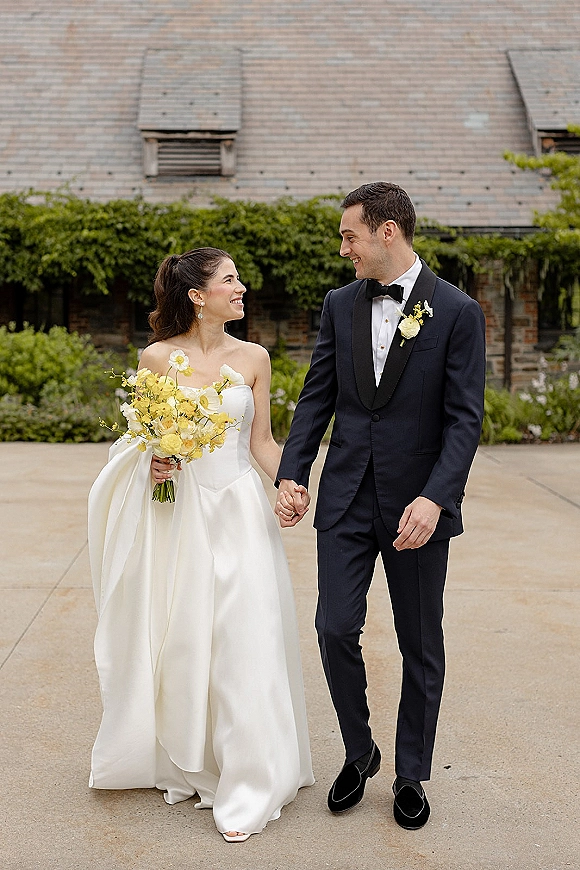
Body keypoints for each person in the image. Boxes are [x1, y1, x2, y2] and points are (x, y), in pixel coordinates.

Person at [274, 182, 486, 829]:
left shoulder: (456, 312)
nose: (344, 250)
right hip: (344, 498)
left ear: (386, 231)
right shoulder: (339, 305)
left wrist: (435, 496)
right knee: (334, 628)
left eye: (349, 236)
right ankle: (360, 750)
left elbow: (464, 420)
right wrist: (292, 472)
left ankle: (411, 774)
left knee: (421, 644)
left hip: (416, 509)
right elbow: (316, 397)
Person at [88, 247, 314, 843]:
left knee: (245, 635)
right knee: (188, 638)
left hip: (239, 510)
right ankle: (194, 757)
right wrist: (154, 461)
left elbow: (262, 442)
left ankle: (251, 775)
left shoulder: (256, 358)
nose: (242, 289)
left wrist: (289, 484)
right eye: (230, 280)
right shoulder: (157, 359)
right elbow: (140, 445)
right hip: (180, 515)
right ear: (196, 294)